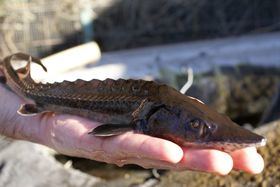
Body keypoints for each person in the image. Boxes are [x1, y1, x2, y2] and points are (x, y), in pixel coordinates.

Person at [0, 70, 264, 175]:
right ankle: (8, 73)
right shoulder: (144, 114)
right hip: (33, 98)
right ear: (153, 115)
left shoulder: (159, 108)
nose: (200, 131)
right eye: (196, 127)